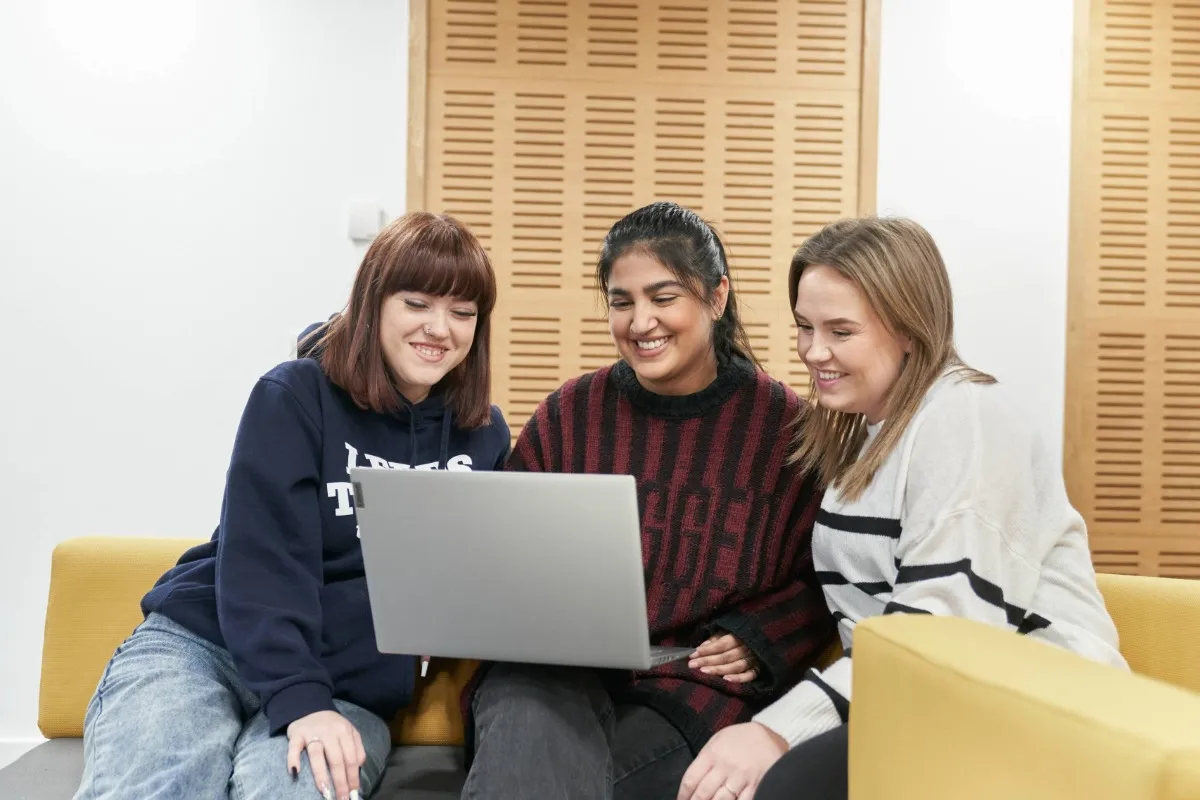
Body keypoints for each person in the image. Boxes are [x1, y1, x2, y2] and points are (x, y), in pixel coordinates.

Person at [678, 216, 1128, 800]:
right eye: (805, 327)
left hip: (1034, 706)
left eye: (842, 331)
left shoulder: (967, 418)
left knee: (787, 782)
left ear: (910, 329)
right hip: (934, 696)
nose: (815, 352)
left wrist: (777, 731)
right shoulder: (863, 431)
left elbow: (943, 627)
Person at [74, 212, 511, 800]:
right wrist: (298, 698)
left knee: (294, 793)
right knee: (164, 785)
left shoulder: (482, 435)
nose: (440, 328)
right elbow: (262, 562)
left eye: (463, 313)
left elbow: (482, 571)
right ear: (374, 302)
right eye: (418, 303)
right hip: (208, 646)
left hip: (347, 686)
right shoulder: (294, 396)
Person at [460, 201, 835, 800]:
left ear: (716, 298)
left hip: (688, 687)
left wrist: (761, 635)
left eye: (663, 298)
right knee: (524, 722)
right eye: (621, 301)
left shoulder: (787, 430)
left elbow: (828, 579)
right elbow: (503, 547)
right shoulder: (569, 414)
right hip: (549, 673)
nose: (640, 322)